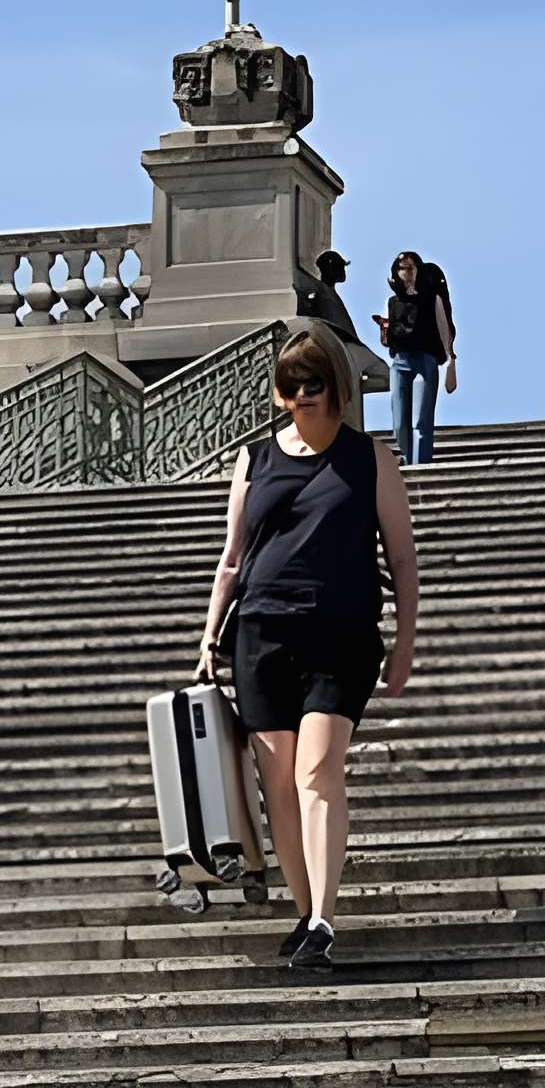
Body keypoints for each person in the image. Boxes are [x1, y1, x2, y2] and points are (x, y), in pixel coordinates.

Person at [192, 326, 422, 973]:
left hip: (342, 633)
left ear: (338, 389)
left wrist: (404, 644)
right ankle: (303, 913)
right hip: (260, 634)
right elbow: (232, 559)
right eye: (292, 387)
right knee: (278, 782)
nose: (304, 398)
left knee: (317, 769)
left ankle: (323, 914)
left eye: (315, 385)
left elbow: (402, 559)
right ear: (279, 394)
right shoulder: (255, 459)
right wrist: (209, 639)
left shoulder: (369, 459)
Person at [374, 251, 458, 468]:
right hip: (400, 361)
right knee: (399, 419)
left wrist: (451, 359)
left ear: (418, 270)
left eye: (411, 267)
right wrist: (385, 331)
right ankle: (406, 457)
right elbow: (389, 340)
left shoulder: (432, 298)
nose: (407, 272)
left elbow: (443, 326)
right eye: (402, 268)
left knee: (421, 416)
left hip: (425, 359)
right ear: (396, 272)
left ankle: (419, 462)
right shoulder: (393, 302)